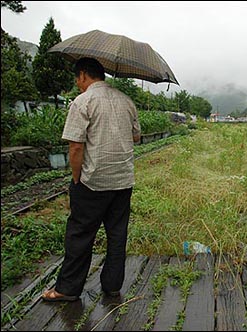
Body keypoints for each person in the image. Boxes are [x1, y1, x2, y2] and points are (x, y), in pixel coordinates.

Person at [42, 57, 141, 301]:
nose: (77, 84)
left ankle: (67, 289)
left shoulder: (83, 101)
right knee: (117, 235)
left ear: (84, 75)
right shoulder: (127, 101)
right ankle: (112, 285)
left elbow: (76, 147)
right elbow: (136, 137)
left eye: (77, 79)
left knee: (80, 235)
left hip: (92, 182)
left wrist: (76, 179)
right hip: (122, 181)